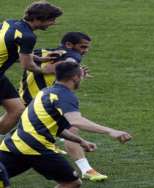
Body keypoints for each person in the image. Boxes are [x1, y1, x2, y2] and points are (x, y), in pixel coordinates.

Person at [0, 61, 132, 188]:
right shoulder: (64, 95)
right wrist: (111, 131)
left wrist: (80, 141)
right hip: (37, 147)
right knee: (72, 182)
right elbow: (76, 121)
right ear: (75, 78)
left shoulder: (46, 91)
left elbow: (57, 128)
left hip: (14, 144)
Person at [19, 32, 108, 181]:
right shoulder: (73, 56)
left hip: (25, 99)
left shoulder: (41, 52)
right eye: (82, 47)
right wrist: (74, 69)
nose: (84, 50)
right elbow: (61, 66)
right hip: (40, 103)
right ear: (69, 45)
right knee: (71, 128)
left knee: (14, 128)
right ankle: (86, 170)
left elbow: (20, 56)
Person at [0, 1, 62, 135]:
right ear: (38, 19)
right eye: (51, 20)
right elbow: (27, 65)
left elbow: (11, 53)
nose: (53, 23)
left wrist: (41, 59)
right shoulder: (28, 36)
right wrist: (45, 70)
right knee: (16, 110)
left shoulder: (9, 23)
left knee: (17, 109)